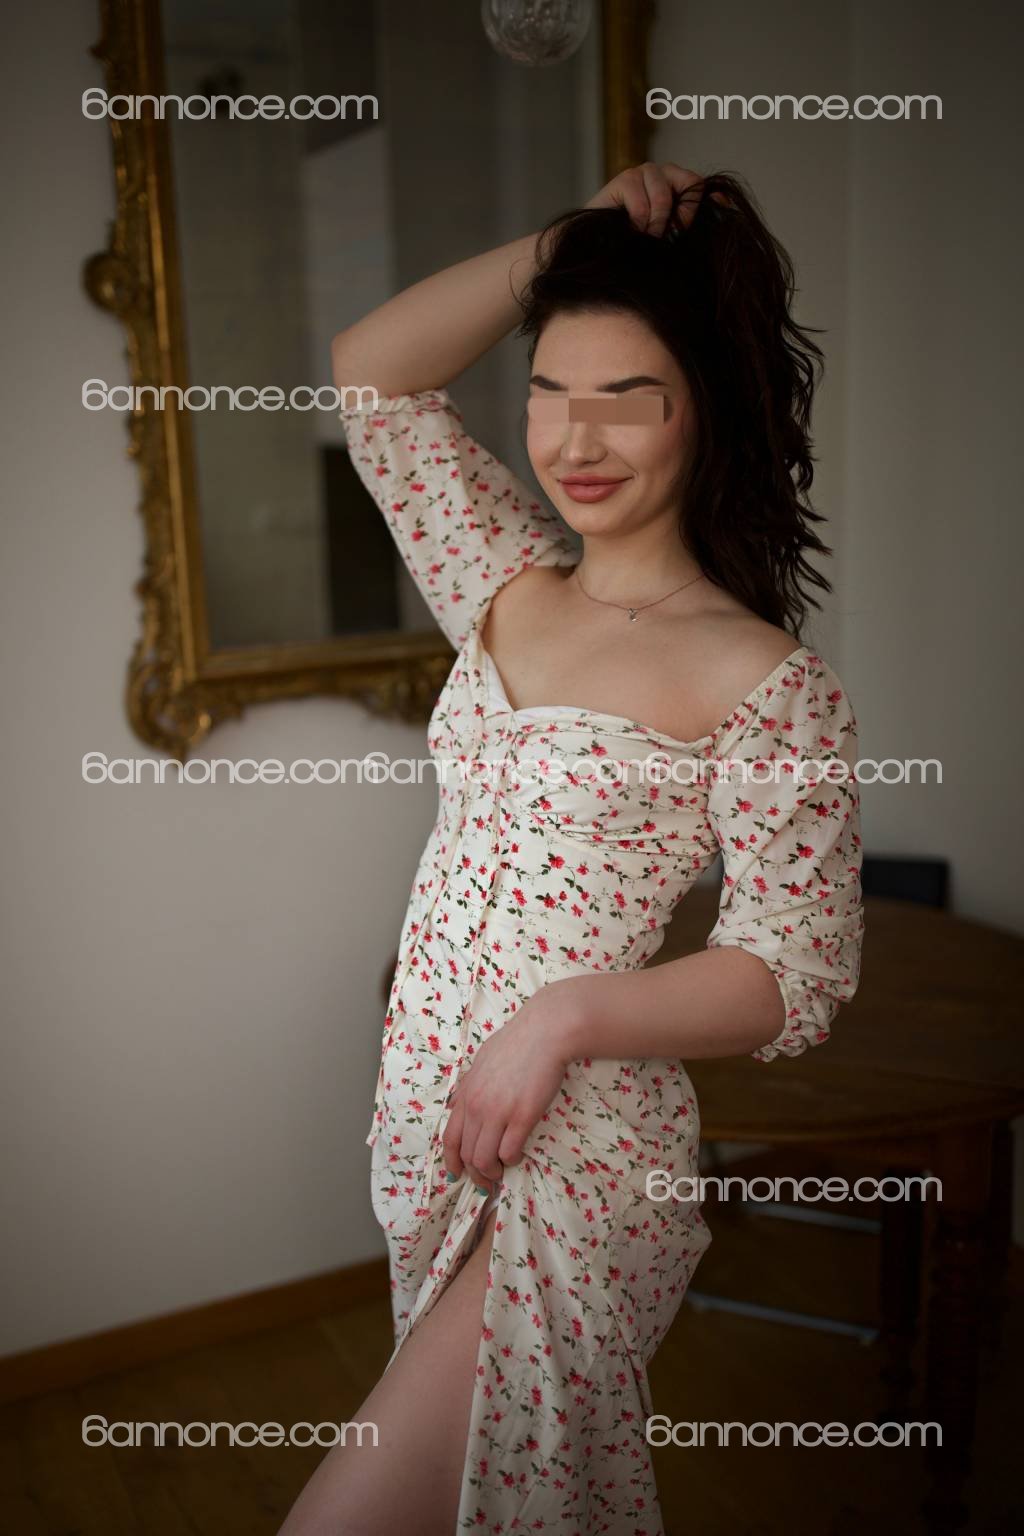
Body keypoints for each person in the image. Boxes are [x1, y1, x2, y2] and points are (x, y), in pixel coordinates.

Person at [278, 162, 865, 1536]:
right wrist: (575, 238)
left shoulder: (766, 682)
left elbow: (795, 972)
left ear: (705, 409)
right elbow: (373, 373)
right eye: (550, 392)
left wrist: (563, 1018)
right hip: (434, 1128)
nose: (576, 438)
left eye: (628, 397)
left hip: (585, 1162)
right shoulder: (502, 584)